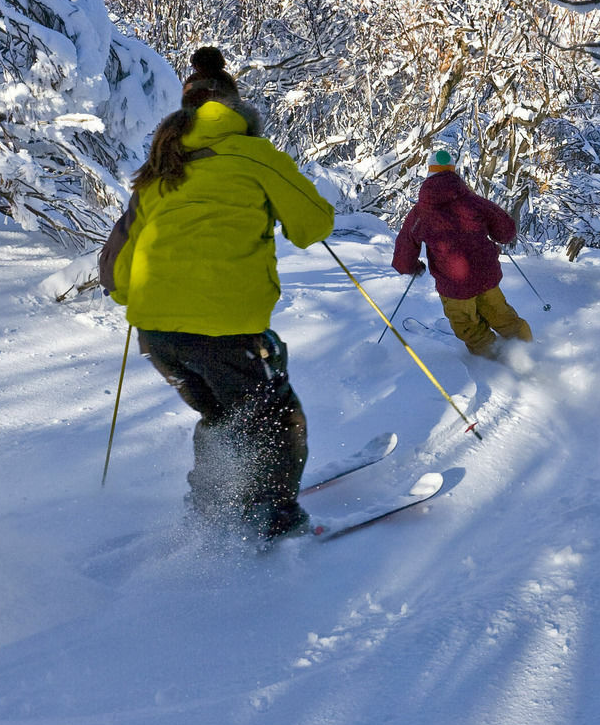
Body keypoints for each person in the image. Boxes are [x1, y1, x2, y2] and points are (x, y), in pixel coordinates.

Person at [100, 47, 335, 542]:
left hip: (157, 333)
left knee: (223, 414)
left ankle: (214, 502)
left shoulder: (161, 169)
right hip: (224, 327)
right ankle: (274, 516)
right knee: (275, 414)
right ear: (234, 108)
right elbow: (314, 225)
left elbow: (119, 272)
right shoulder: (253, 155)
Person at [392, 149, 533, 358]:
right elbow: (506, 231)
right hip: (486, 275)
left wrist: (411, 267)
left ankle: (496, 360)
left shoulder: (421, 212)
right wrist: (493, 234)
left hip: (454, 285)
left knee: (467, 326)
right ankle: (529, 352)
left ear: (430, 173)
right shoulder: (473, 201)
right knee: (503, 317)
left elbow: (405, 247)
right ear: (453, 172)